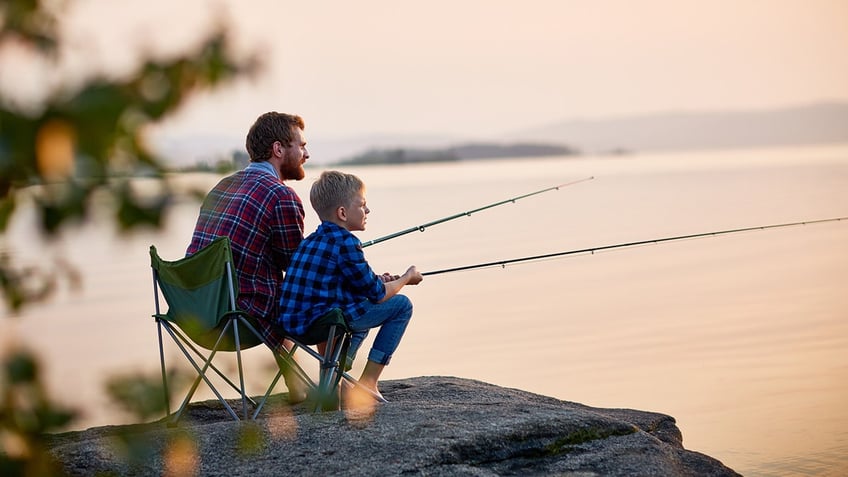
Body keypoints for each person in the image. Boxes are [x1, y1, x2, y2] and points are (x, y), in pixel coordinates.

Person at [186, 111, 310, 401]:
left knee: (274, 291)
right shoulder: (281, 196)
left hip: (194, 311)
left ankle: (297, 385)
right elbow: (296, 269)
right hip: (236, 319)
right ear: (279, 149)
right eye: (301, 146)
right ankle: (330, 388)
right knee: (312, 293)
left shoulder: (221, 186)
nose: (307, 153)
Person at [278, 170, 423, 402]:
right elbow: (377, 294)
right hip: (323, 324)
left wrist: (380, 279)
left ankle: (338, 378)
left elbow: (349, 281)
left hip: (293, 326)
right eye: (362, 205)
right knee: (401, 305)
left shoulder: (310, 241)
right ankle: (368, 382)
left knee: (358, 303)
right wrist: (406, 278)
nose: (367, 211)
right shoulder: (346, 242)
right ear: (343, 213)